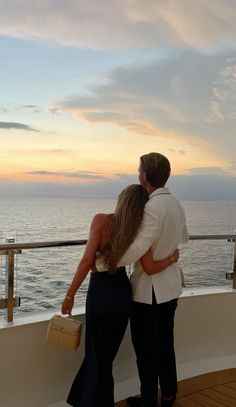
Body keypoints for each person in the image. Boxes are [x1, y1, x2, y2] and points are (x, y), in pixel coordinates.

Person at [61, 184, 180, 407]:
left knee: (98, 356)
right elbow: (150, 266)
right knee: (105, 357)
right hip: (123, 293)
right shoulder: (138, 232)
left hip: (102, 292)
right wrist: (172, 258)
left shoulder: (101, 220)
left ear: (122, 200)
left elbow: (87, 261)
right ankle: (82, 398)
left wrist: (69, 295)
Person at [119, 153, 189, 407]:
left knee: (146, 352)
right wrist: (168, 253)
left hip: (149, 294)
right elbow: (185, 236)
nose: (138, 175)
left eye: (139, 171)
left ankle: (149, 400)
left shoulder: (151, 207)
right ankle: (168, 395)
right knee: (165, 345)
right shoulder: (176, 204)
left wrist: (107, 261)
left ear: (145, 176)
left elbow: (138, 248)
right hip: (170, 289)